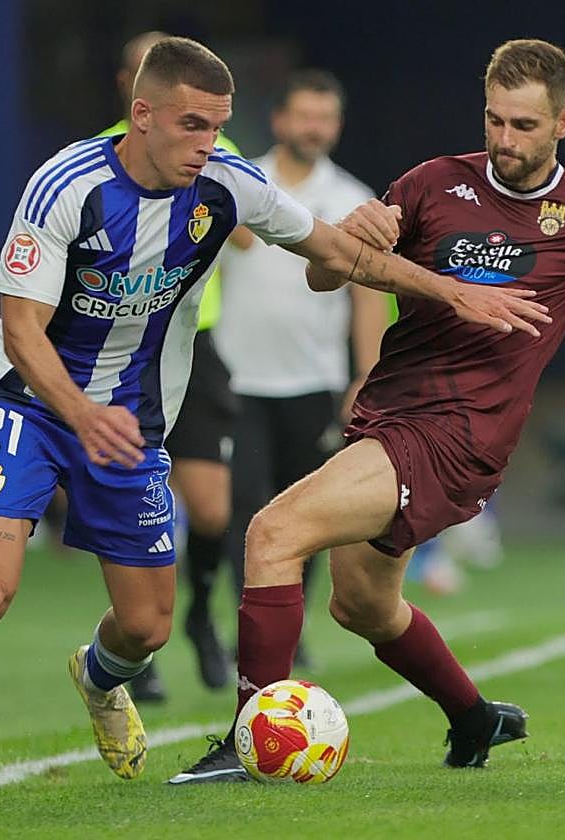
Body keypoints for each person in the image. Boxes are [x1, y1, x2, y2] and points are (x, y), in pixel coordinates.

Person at [0, 35, 547, 800]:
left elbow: (339, 253)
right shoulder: (64, 185)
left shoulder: (228, 182)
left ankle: (97, 680)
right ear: (142, 113)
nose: (207, 143)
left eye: (218, 125)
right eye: (191, 124)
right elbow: (21, 331)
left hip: (132, 421)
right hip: (26, 404)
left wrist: (454, 291)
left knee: (148, 628)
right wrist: (81, 412)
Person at [170, 38, 565, 784]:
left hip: (454, 435)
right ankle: (473, 716)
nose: (504, 140)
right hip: (392, 414)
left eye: (524, 126)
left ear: (564, 123)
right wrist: (353, 242)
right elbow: (331, 279)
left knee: (272, 532)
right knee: (361, 607)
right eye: (494, 121)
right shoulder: (433, 185)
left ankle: (248, 739)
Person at [215, 68, 386, 666]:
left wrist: (364, 375)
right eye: (304, 115)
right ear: (280, 120)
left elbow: (368, 296)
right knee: (238, 510)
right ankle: (236, 624)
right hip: (237, 378)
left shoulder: (353, 200)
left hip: (313, 381)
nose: (314, 127)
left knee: (307, 517)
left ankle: (286, 628)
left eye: (326, 117)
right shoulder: (241, 186)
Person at [96, 30, 244, 699]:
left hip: (196, 345)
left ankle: (202, 618)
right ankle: (137, 651)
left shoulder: (213, 149)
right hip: (124, 349)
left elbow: (244, 232)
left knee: (212, 510)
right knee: (135, 505)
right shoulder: (100, 159)